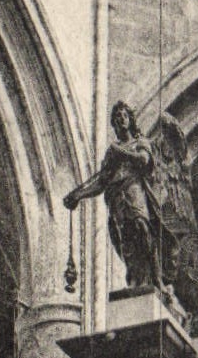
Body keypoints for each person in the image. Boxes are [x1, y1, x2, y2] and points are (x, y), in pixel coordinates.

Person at [63, 101, 168, 289]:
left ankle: (156, 277)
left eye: (124, 115)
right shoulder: (111, 153)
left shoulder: (139, 142)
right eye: (117, 117)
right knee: (125, 240)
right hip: (116, 196)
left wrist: (120, 151)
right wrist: (79, 195)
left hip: (133, 188)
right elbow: (101, 181)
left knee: (142, 226)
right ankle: (133, 279)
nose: (121, 119)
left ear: (130, 119)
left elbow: (144, 160)